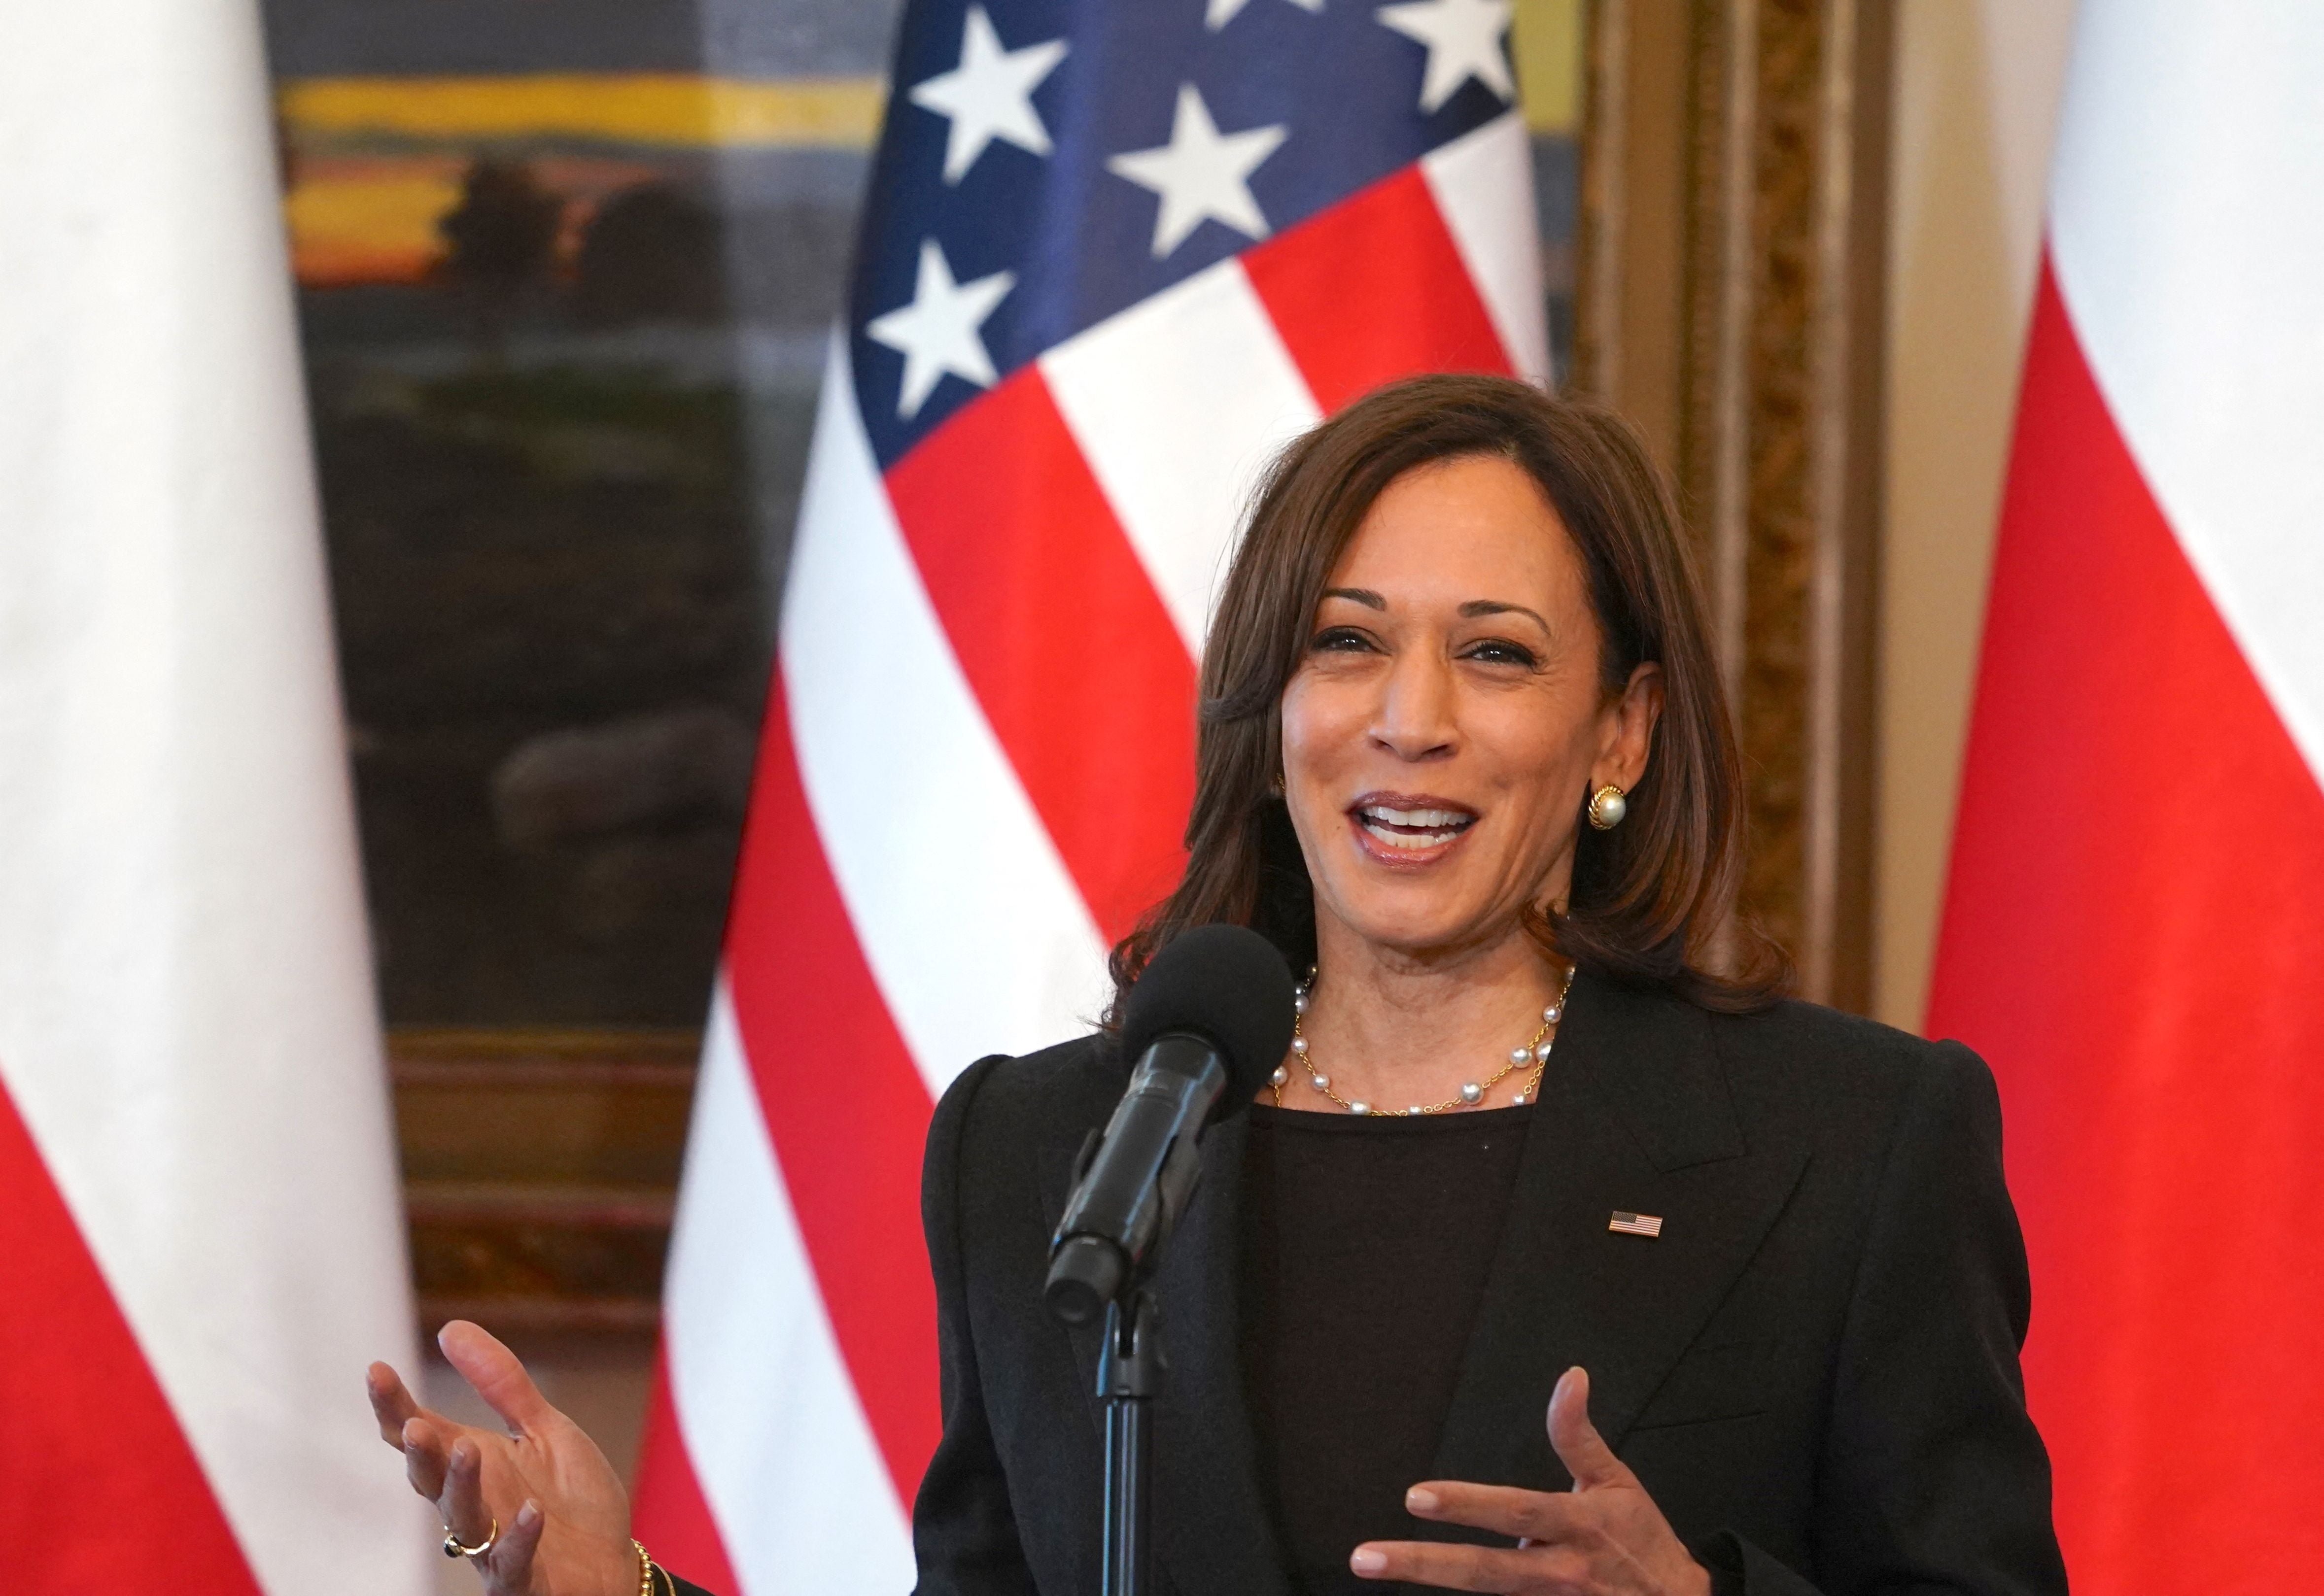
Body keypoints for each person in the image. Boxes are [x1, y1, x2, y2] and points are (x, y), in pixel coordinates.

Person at [368, 373, 2066, 1596]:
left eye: (1495, 651)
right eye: (1345, 642)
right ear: (1268, 716)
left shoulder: (1845, 1139)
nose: (1410, 717)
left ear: (1617, 728)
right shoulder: (1041, 1150)